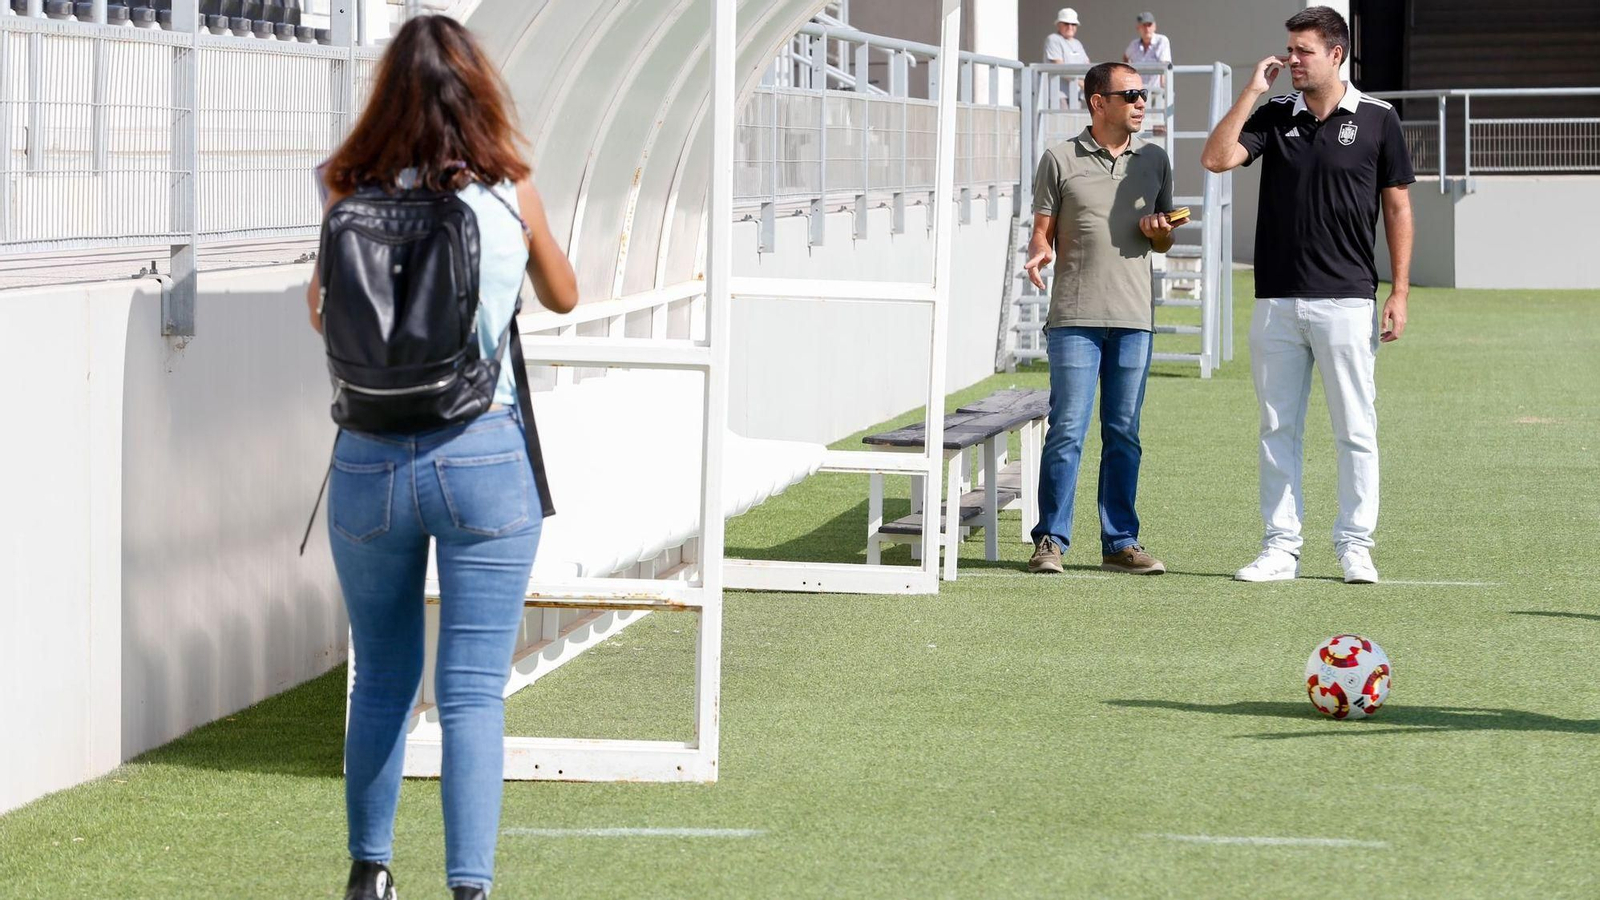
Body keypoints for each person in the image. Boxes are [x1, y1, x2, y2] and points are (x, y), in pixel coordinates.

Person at [305, 15, 579, 900]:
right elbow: (566, 297)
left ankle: (370, 873)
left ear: (384, 94)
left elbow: (322, 312)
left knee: (380, 675)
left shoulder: (346, 188)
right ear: (479, 92)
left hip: (368, 465)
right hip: (482, 457)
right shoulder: (511, 192)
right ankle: (468, 888)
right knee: (469, 692)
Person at [1199, 5, 1414, 584]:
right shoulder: (1272, 115)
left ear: (1336, 54)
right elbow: (1217, 159)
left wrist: (1400, 290)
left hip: (1347, 301)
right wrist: (1249, 92)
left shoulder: (1377, 118)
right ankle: (1280, 548)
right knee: (1277, 429)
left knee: (1355, 427)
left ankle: (1355, 545)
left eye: (1303, 52)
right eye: (1289, 50)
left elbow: (1397, 204)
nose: (1291, 60)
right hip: (1275, 302)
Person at [1023, 62, 1176, 578]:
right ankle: (1050, 539)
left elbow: (1165, 236)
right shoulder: (1059, 159)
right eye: (1130, 94)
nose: (1141, 102)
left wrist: (1159, 230)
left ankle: (1120, 542)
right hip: (1074, 319)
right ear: (1098, 102)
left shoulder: (1154, 160)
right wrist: (1039, 251)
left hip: (1135, 319)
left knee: (1124, 433)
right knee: (1067, 429)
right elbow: (1040, 231)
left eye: (1144, 94)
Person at [1043, 7, 1090, 107]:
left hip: (1076, 94)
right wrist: (1081, 83)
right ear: (1058, 25)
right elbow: (1059, 66)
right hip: (1059, 95)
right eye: (1066, 23)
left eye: (1073, 24)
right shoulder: (1053, 39)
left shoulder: (1077, 43)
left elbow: (1087, 65)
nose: (1070, 27)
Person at [1123, 12, 1172, 99]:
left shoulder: (1161, 41)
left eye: (1149, 25)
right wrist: (1129, 77)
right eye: (1143, 25)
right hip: (1138, 93)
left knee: (1156, 112)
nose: (1147, 28)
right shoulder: (1134, 45)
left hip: (1156, 92)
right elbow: (1126, 57)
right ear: (1138, 28)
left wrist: (1164, 89)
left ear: (1154, 27)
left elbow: (1164, 64)